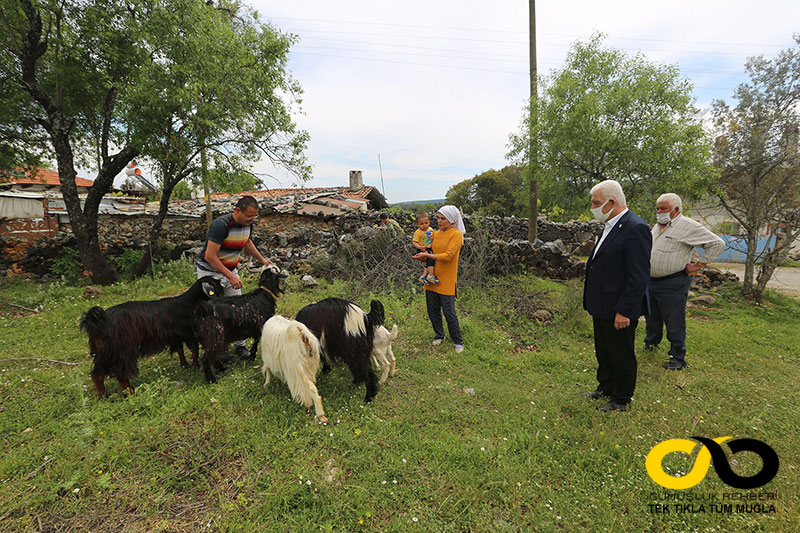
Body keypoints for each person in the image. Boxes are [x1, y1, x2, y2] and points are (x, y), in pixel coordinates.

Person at [583, 180, 651, 412]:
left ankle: (621, 398)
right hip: (602, 303)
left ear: (611, 202)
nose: (592, 207)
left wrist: (625, 310)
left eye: (596, 203)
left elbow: (638, 275)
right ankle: (606, 386)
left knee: (621, 353)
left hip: (618, 306)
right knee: (604, 349)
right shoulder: (611, 226)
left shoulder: (635, 227)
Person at [645, 193, 725, 370]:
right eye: (657, 208)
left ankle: (677, 357)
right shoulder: (658, 227)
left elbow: (717, 243)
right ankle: (650, 345)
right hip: (651, 281)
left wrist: (699, 264)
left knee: (674, 320)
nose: (659, 212)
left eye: (663, 209)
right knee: (652, 316)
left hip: (673, 282)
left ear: (676, 210)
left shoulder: (687, 226)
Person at [196, 195, 275, 360]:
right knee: (215, 312)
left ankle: (240, 346)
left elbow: (247, 242)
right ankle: (218, 348)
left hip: (230, 270)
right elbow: (210, 256)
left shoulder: (248, 225)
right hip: (210, 273)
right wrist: (230, 276)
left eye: (254, 216)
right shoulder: (221, 226)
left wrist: (262, 260)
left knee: (239, 311)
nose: (252, 219)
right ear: (238, 210)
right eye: (249, 216)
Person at [413, 206, 465, 353]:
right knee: (432, 310)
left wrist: (428, 256)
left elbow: (448, 256)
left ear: (452, 220)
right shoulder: (434, 234)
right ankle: (439, 335)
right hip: (432, 278)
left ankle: (458, 340)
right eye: (438, 218)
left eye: (443, 218)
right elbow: (429, 250)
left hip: (447, 279)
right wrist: (422, 256)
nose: (439, 221)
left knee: (449, 312)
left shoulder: (456, 235)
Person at [412, 212, 439, 285]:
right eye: (421, 224)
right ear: (417, 224)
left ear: (429, 222)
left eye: (426, 223)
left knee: (429, 263)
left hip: (429, 247)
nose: (424, 225)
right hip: (422, 249)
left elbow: (433, 237)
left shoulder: (430, 229)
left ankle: (423, 276)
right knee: (431, 260)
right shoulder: (418, 232)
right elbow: (414, 242)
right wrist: (420, 247)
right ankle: (430, 275)